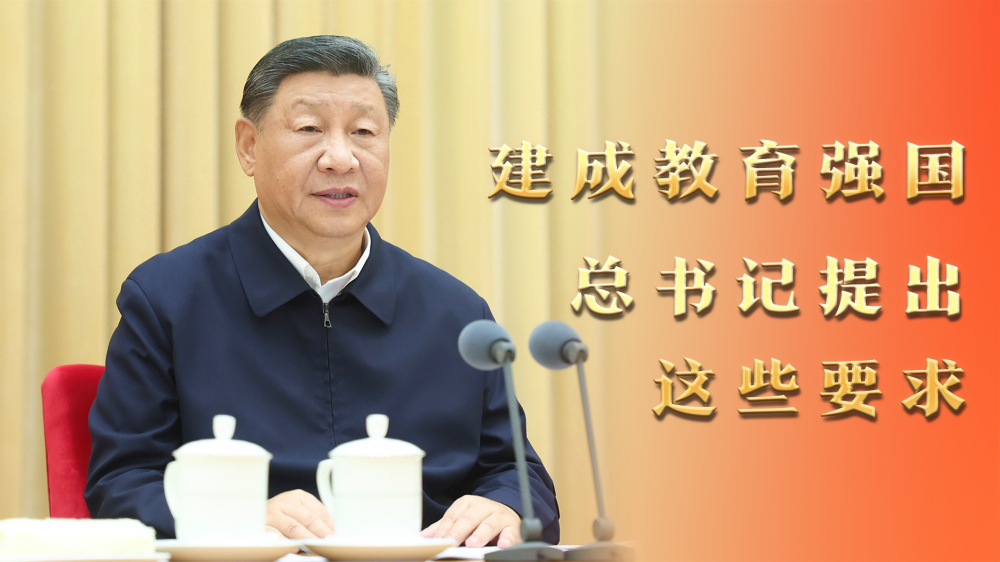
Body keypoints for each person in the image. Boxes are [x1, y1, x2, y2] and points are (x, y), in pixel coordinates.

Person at [85, 35, 559, 548]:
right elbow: (121, 483)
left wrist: (505, 505)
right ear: (248, 146)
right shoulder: (167, 299)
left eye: (364, 132)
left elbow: (518, 473)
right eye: (309, 129)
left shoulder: (457, 314)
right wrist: (231, 520)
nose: (340, 158)